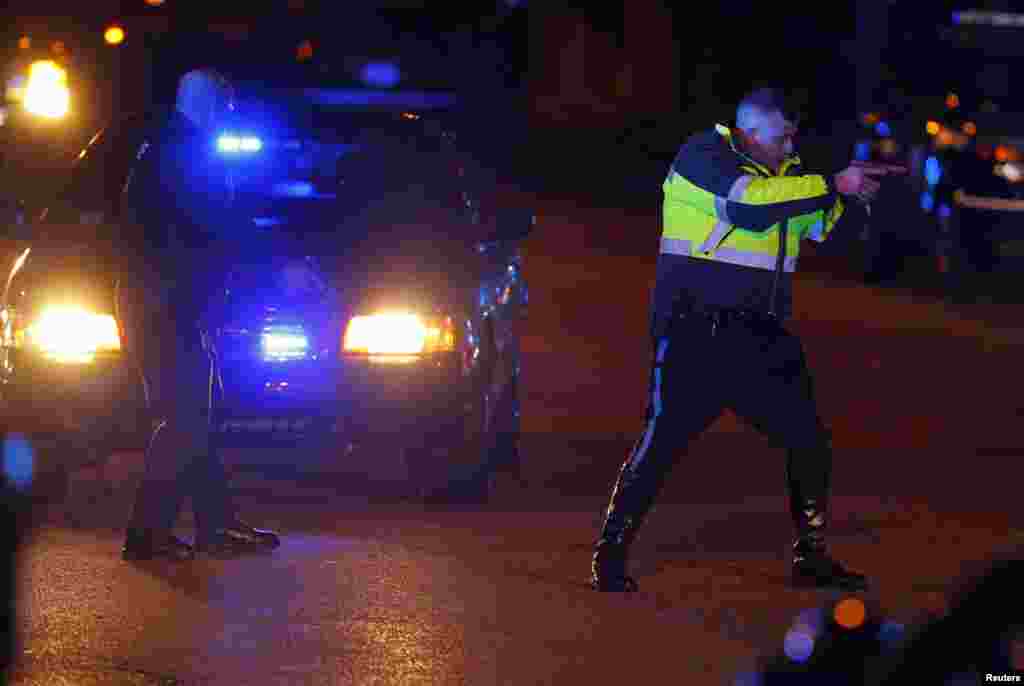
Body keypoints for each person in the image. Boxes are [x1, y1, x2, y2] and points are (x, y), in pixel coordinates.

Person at [591, 87, 903, 592]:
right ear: (750, 134)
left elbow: (817, 228)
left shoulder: (787, 174)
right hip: (696, 330)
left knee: (808, 439)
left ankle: (812, 556)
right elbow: (748, 209)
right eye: (781, 138)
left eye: (792, 137)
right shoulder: (703, 155)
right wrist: (830, 182)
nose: (789, 145)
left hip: (763, 332)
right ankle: (611, 551)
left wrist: (851, 197)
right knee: (662, 443)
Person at [116, 68, 280, 560]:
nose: (227, 117)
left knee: (196, 414)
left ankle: (215, 526)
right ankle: (147, 536)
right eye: (224, 106)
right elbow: (214, 230)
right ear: (207, 103)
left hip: (162, 301)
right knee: (186, 417)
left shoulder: (166, 146)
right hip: (167, 304)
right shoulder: (184, 154)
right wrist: (271, 260)